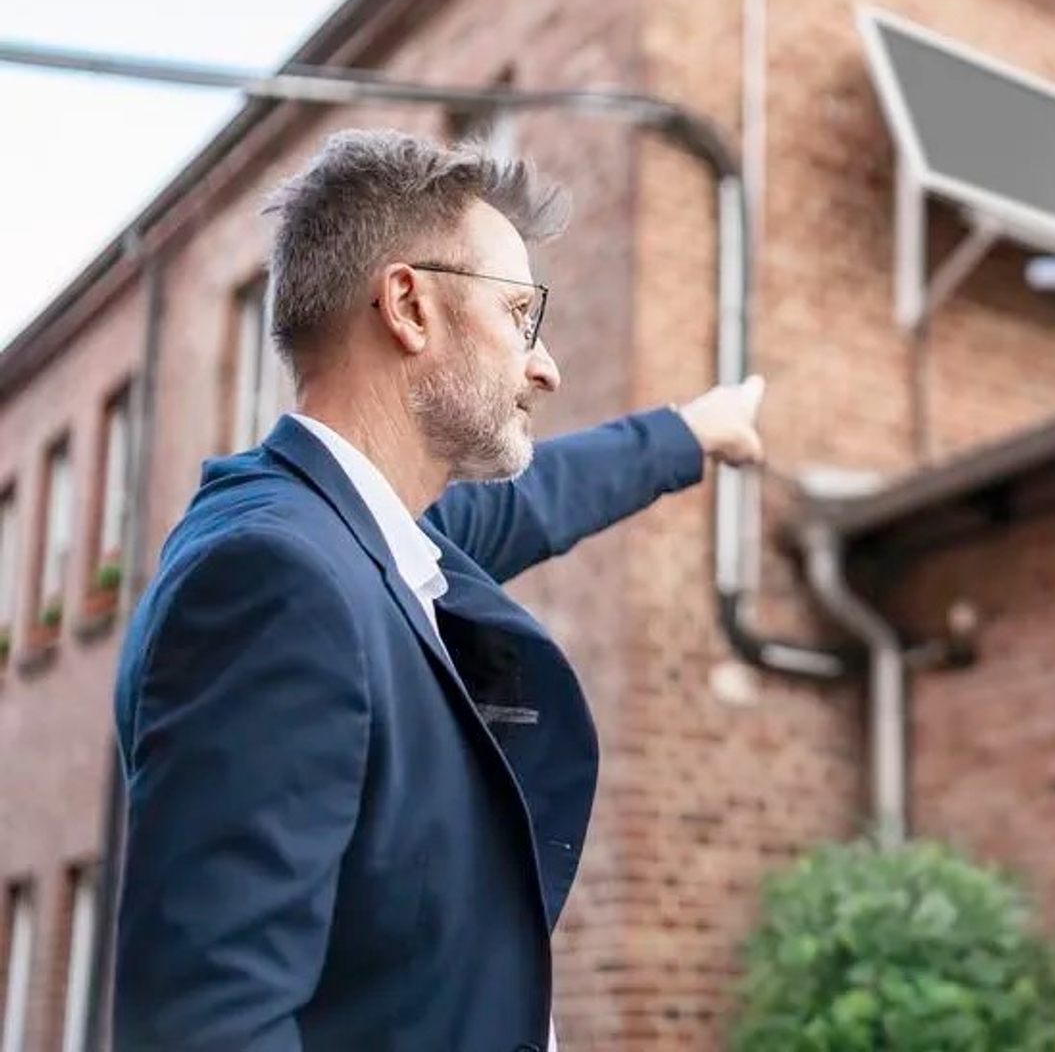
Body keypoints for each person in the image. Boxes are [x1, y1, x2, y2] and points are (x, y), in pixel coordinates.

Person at [111, 129, 766, 1051]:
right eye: (520, 316)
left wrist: (692, 433)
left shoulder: (355, 538)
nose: (546, 367)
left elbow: (539, 501)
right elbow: (211, 1022)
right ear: (409, 306)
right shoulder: (272, 578)